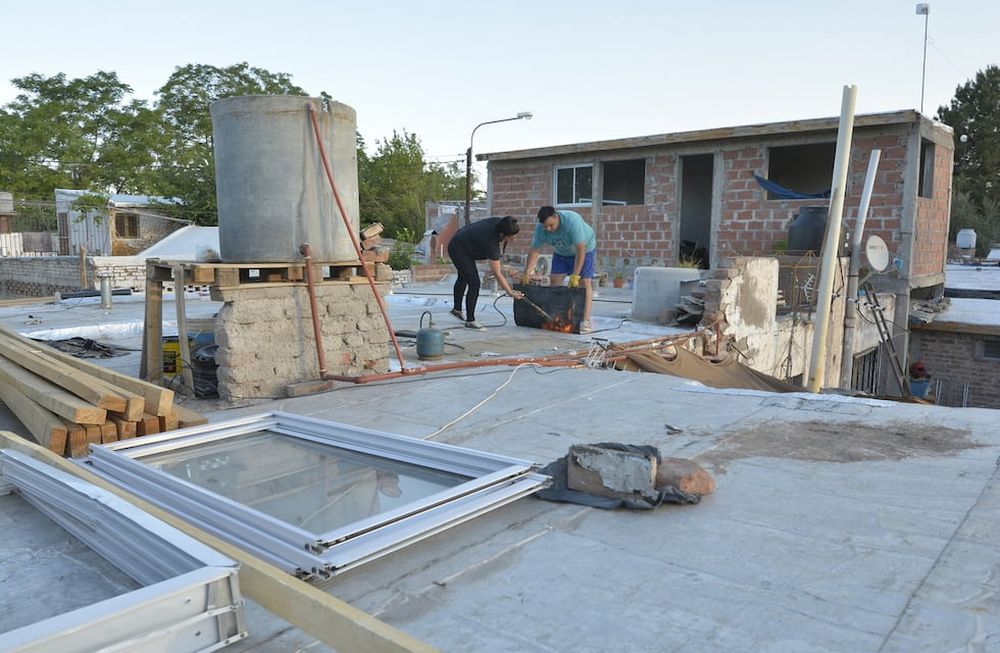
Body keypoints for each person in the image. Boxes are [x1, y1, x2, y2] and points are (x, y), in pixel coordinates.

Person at [521, 206, 597, 333]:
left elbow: (580, 250)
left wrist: (575, 275)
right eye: (545, 227)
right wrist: (526, 274)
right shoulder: (541, 228)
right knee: (554, 282)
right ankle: (556, 316)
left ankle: (585, 320)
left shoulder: (572, 221)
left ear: (556, 217)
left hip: (585, 250)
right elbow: (535, 250)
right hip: (561, 252)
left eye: (551, 225)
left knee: (584, 283)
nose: (548, 229)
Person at [447, 215, 525, 330]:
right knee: (474, 282)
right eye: (512, 237)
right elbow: (497, 273)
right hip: (458, 248)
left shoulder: (502, 223)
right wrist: (510, 292)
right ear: (503, 234)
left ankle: (456, 310)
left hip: (462, 241)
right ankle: (470, 320)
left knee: (464, 277)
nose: (514, 239)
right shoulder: (491, 241)